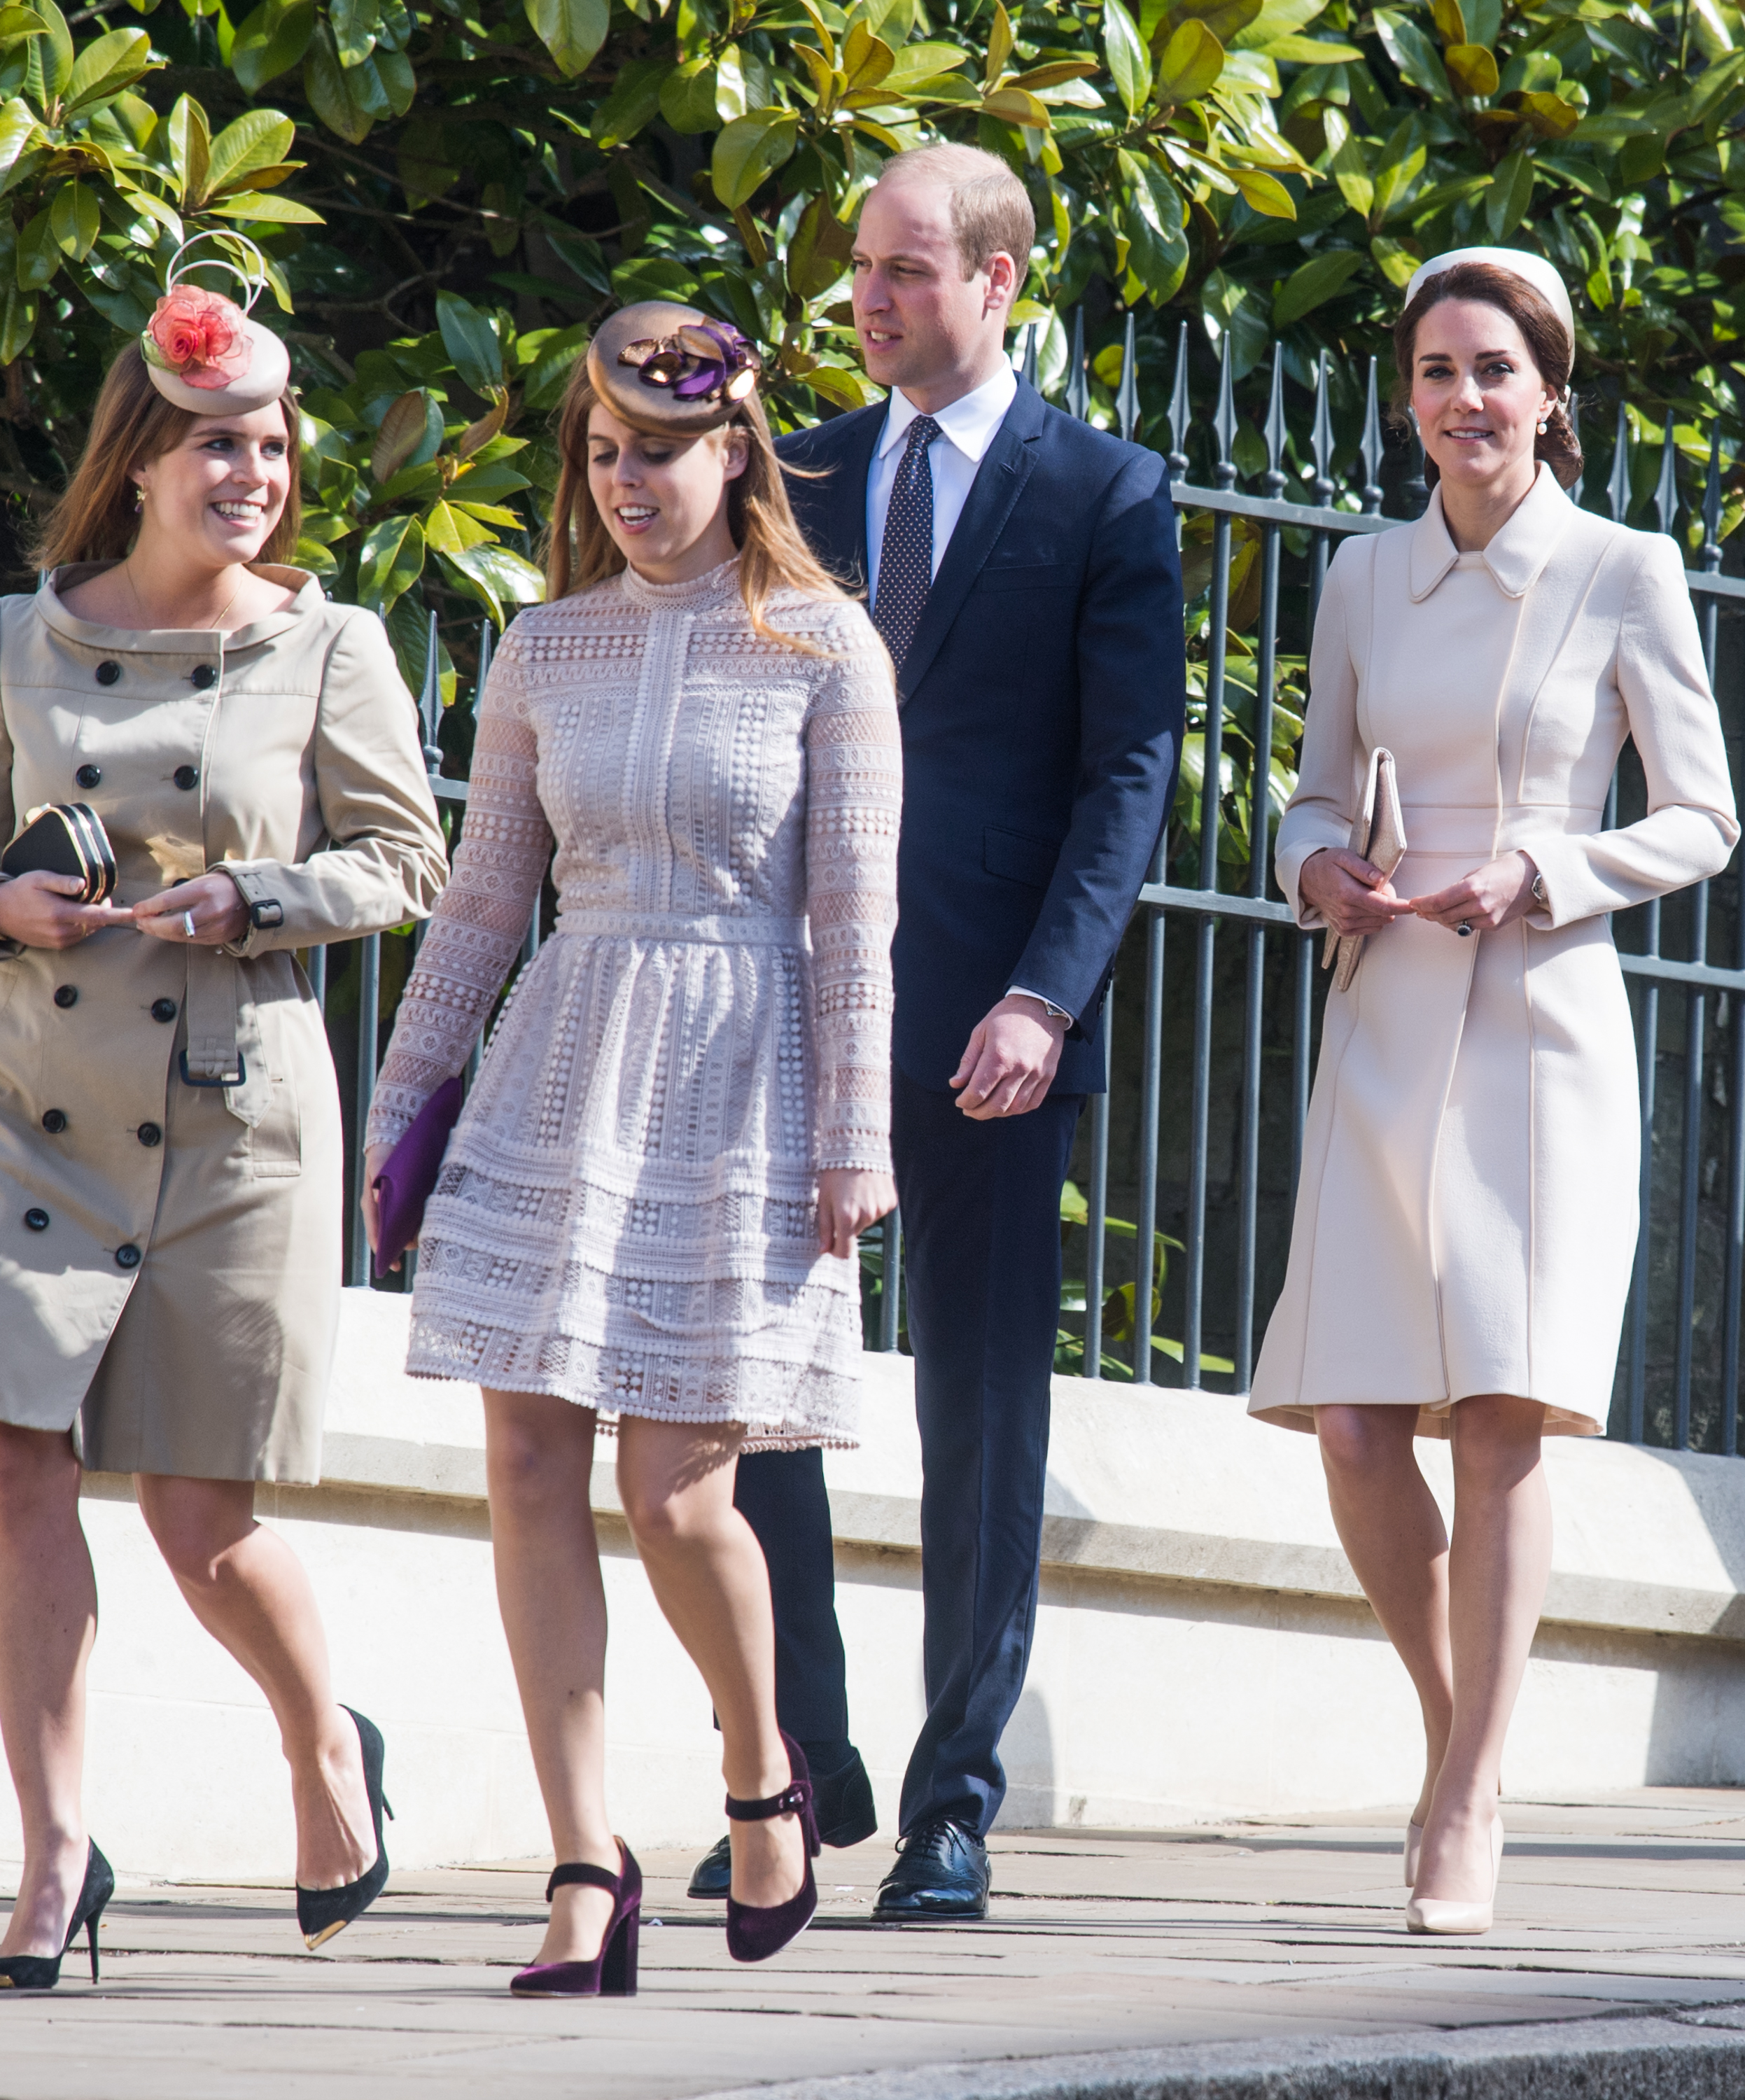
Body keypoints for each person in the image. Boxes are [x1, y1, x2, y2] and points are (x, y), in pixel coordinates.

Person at [0, 244, 451, 1987]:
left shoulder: (329, 645)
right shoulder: (18, 639)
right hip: (24, 1103)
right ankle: (53, 1862)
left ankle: (324, 1747)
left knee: (207, 1520)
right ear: (139, 454)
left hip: (230, 1112)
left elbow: (403, 860)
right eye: (216, 443)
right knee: (13, 1468)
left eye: (271, 447)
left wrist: (255, 901)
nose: (251, 476)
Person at [360, 303, 901, 1994]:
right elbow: (477, 902)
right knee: (526, 1465)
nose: (624, 483)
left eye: (655, 452)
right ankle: (581, 1866)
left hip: (744, 1073)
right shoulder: (542, 648)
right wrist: (401, 1112)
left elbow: (854, 922)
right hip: (560, 1060)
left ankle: (762, 1778)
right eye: (601, 456)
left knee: (677, 1498)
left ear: (736, 449)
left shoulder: (828, 647)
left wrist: (854, 1131)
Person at [691, 143, 1184, 1923]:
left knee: (980, 1408)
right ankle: (801, 1773)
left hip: (993, 1020)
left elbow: (1129, 772)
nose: (867, 300)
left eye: (904, 269)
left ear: (996, 281)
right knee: (759, 1402)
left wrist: (1046, 996)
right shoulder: (793, 472)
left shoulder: (1107, 492)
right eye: (858, 267)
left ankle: (949, 1803)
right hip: (780, 1017)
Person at [1249, 248, 1738, 1935]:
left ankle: (1462, 1798)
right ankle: (1458, 1732)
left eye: (1494, 370)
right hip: (1385, 1008)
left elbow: (1700, 817)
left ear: (1548, 392)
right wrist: (1319, 871)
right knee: (1351, 1419)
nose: (1464, 399)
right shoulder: (1362, 577)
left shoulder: (1624, 567)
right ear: (1409, 396)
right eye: (1436, 371)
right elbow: (1308, 796)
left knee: (1500, 1415)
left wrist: (1536, 871)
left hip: (1539, 1022)